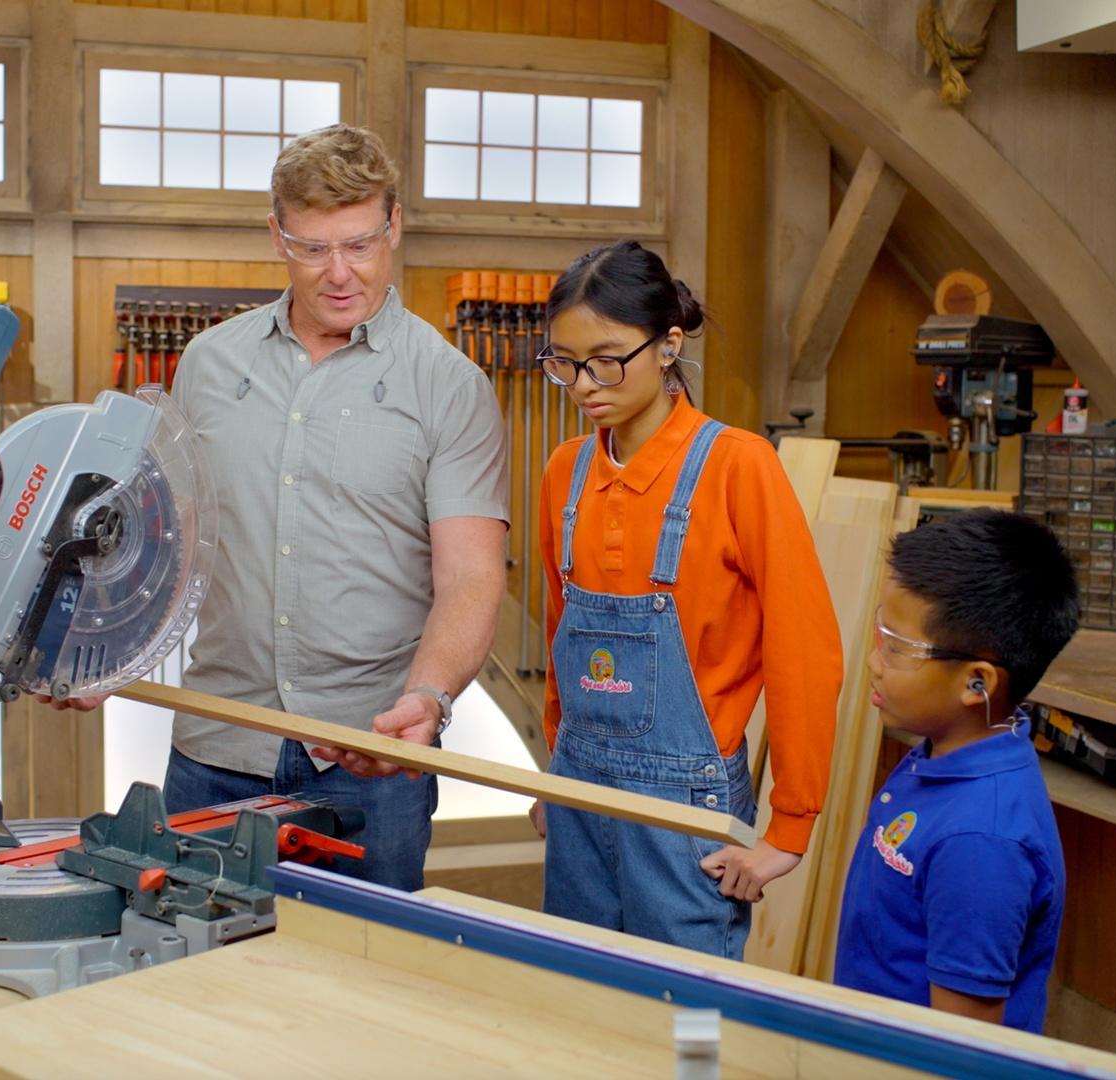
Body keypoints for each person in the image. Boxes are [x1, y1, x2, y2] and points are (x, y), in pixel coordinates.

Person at [160, 124, 508, 891]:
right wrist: (99, 650)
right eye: (313, 248)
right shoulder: (209, 365)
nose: (340, 273)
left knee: (361, 967)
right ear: (276, 235)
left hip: (371, 759)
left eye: (359, 244)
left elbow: (471, 577)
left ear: (394, 226)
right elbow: (171, 546)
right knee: (190, 958)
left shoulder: (449, 386)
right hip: (218, 741)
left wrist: (428, 698)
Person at [530, 239, 843, 961]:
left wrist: (791, 825)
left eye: (607, 360)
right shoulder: (564, 473)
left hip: (686, 810)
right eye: (564, 363)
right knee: (577, 999)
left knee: (689, 1013)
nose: (583, 385)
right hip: (580, 791)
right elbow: (559, 635)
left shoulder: (739, 467)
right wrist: (556, 773)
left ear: (669, 344)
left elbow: (803, 650)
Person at [833, 509, 1079, 1033]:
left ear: (977, 683)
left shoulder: (980, 843)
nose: (875, 661)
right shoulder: (945, 752)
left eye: (897, 648)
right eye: (881, 632)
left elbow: (961, 1044)